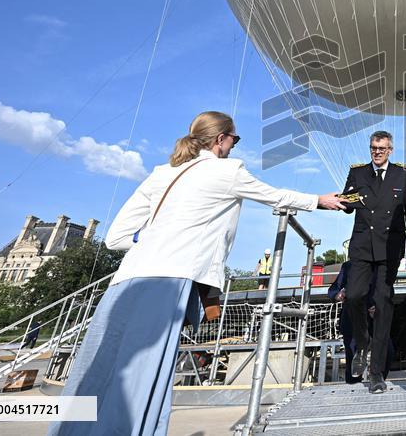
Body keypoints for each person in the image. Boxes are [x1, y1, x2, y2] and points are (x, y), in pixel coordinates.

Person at [48, 111, 344, 436]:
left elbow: (116, 237)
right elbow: (275, 196)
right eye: (235, 139)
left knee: (97, 369)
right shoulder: (227, 170)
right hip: (169, 279)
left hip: (125, 281)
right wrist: (320, 200)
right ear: (220, 139)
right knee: (142, 376)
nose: (234, 146)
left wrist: (158, 237)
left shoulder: (162, 173)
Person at [339, 130, 406, 394]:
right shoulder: (358, 173)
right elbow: (347, 204)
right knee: (354, 295)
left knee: (382, 304)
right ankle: (362, 341)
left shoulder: (402, 174)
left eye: (382, 148)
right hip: (362, 246)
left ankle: (377, 372)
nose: (377, 152)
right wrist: (340, 200)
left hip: (389, 248)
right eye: (373, 148)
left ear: (390, 150)